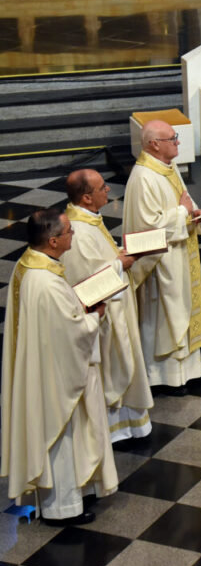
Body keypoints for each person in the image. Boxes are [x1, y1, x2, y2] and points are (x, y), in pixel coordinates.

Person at [1, 209, 118, 526]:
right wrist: (96, 314)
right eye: (68, 232)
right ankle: (62, 507)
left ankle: (77, 491)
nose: (73, 235)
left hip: (44, 368)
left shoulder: (30, 264)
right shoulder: (46, 282)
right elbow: (73, 333)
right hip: (56, 379)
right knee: (63, 435)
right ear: (53, 241)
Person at [62, 169, 153, 442]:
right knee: (111, 369)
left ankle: (129, 423)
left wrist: (117, 258)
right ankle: (115, 429)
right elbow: (84, 280)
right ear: (88, 198)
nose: (108, 191)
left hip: (117, 305)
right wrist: (119, 264)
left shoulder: (89, 220)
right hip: (103, 316)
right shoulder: (77, 231)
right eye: (103, 188)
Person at [123, 120, 201, 393]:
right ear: (154, 144)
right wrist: (183, 213)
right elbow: (147, 227)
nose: (177, 142)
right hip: (161, 263)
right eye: (172, 138)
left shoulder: (167, 168)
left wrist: (193, 212)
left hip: (180, 252)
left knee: (183, 307)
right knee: (165, 316)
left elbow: (183, 200)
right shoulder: (143, 178)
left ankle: (187, 369)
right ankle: (164, 375)